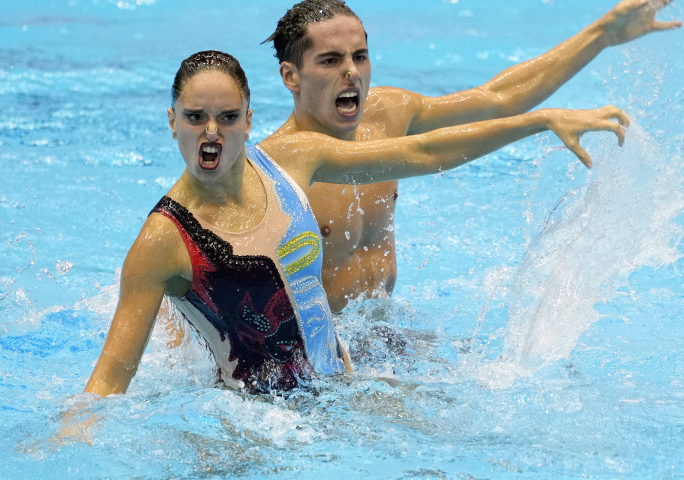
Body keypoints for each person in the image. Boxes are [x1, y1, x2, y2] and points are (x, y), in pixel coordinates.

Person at [83, 50, 629, 398]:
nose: (211, 132)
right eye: (195, 117)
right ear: (171, 121)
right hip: (254, 429)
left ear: (249, 120)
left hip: (341, 388)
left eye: (227, 117)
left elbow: (421, 154)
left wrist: (537, 122)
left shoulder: (293, 160)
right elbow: (110, 381)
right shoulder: (163, 241)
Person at [264, 0, 681, 311]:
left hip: (383, 332)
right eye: (331, 60)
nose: (352, 72)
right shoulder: (277, 166)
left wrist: (603, 34)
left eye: (360, 56)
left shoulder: (388, 113)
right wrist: (540, 121)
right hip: (322, 365)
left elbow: (497, 98)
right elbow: (425, 153)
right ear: (291, 76)